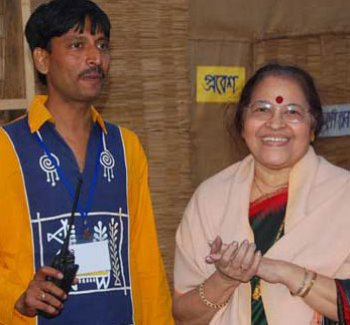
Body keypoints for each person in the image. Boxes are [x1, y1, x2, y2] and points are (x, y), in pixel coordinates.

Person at [0, 0, 173, 324]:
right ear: (42, 59)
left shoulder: (126, 147)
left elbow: (146, 263)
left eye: (102, 45)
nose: (96, 58)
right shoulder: (6, 148)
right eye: (77, 45)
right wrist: (16, 297)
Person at [173, 63, 350, 324]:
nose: (276, 124)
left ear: (312, 127)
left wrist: (285, 273)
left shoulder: (343, 194)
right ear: (243, 124)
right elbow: (184, 316)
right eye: (262, 110)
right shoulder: (210, 198)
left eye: (292, 112)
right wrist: (224, 279)